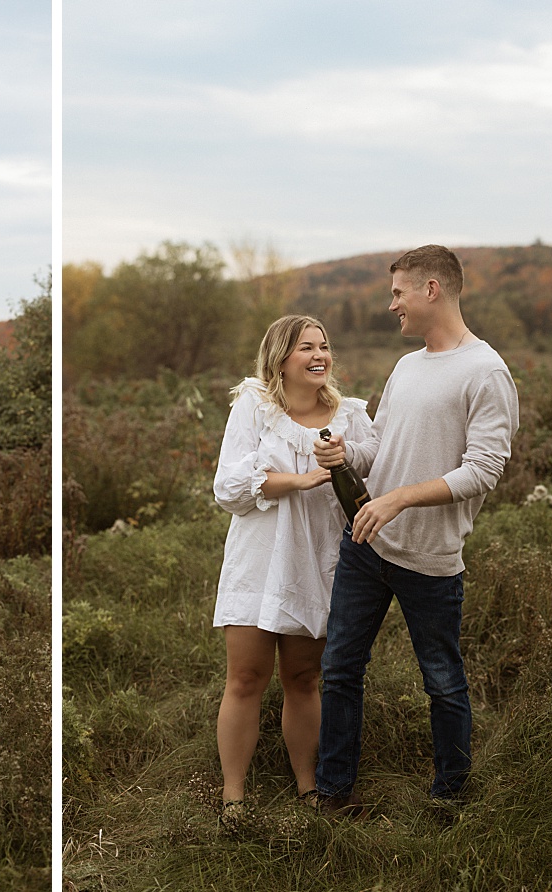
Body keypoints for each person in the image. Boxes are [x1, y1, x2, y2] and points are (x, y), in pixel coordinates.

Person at [312, 245, 519, 816]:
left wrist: (400, 497)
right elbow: (380, 445)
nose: (391, 304)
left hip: (430, 558)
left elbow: (484, 469)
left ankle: (449, 796)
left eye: (398, 292)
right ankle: (333, 794)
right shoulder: (407, 365)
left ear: (432, 289)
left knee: (442, 681)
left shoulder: (486, 372)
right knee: (340, 669)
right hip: (367, 544)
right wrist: (344, 453)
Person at [212, 314, 373, 824]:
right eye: (306, 347)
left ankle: (309, 788)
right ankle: (233, 796)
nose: (319, 355)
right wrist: (296, 481)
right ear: (281, 358)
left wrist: (343, 461)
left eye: (324, 346)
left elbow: (375, 475)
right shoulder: (254, 409)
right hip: (258, 562)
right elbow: (228, 489)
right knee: (245, 678)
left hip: (316, 563)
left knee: (304, 678)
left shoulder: (350, 417)